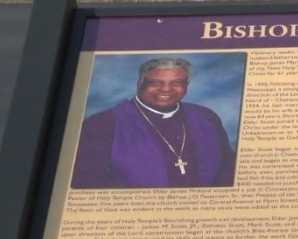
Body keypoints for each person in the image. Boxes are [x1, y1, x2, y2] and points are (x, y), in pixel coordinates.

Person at [71, 57, 236, 188]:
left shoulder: (206, 117)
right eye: (156, 83)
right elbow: (89, 185)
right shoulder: (102, 125)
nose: (166, 89)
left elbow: (227, 169)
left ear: (187, 85)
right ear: (139, 84)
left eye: (176, 83)